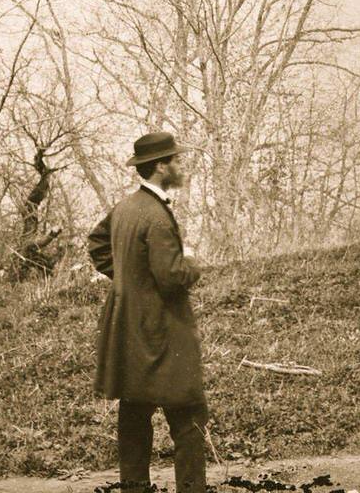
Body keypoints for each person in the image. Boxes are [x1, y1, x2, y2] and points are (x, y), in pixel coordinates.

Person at [88, 132, 207, 493]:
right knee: (189, 416)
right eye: (175, 160)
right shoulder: (156, 216)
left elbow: (97, 244)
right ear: (160, 166)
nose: (180, 166)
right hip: (162, 333)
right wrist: (192, 263)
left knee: (135, 414)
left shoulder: (125, 208)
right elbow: (171, 278)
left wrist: (128, 279)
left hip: (128, 329)